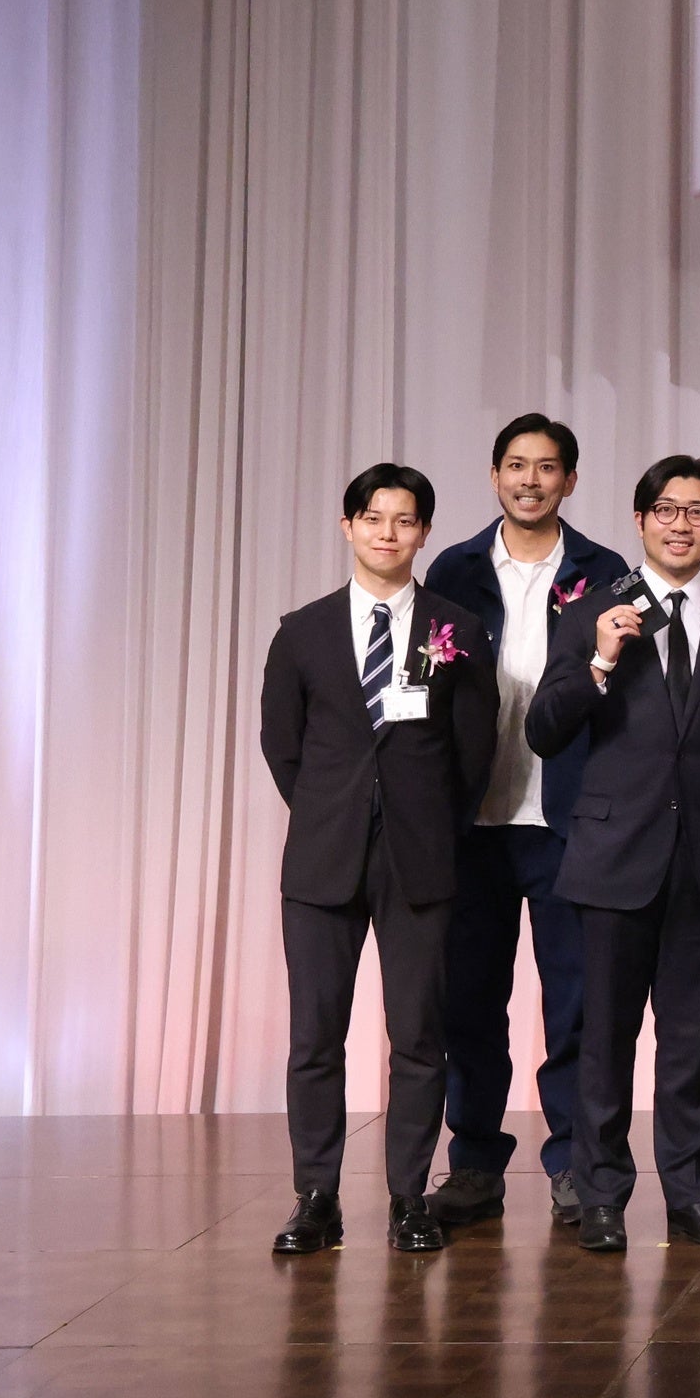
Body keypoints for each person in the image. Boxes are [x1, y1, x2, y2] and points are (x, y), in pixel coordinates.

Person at [529, 453, 700, 1253]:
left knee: (690, 1041)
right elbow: (543, 728)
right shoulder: (593, 610)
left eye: (698, 511)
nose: (681, 524)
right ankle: (600, 1192)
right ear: (640, 520)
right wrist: (599, 659)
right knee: (604, 1038)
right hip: (614, 854)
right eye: (666, 509)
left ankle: (691, 1193)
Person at [261, 463, 496, 1257]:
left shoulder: (456, 628)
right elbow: (283, 747)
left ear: (423, 531)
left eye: (403, 519)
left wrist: (428, 823)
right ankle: (316, 1197)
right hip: (322, 860)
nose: (387, 532)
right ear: (348, 526)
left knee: (419, 1034)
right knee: (315, 1037)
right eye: (373, 517)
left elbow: (474, 750)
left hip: (419, 858)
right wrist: (334, 811)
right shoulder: (302, 631)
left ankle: (409, 1197)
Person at [427, 414, 632, 1233]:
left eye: (547, 467)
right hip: (472, 821)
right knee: (470, 1002)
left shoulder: (604, 571)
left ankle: (574, 1161)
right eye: (516, 465)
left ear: (570, 480)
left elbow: (621, 694)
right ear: (494, 475)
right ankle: (475, 1164)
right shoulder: (454, 568)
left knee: (574, 1004)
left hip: (565, 819)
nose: (531, 480)